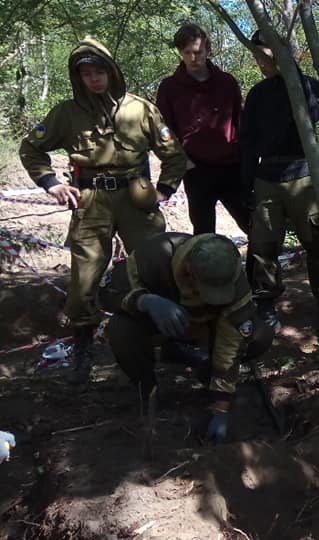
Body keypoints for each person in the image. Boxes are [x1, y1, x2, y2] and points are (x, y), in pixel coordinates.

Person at [19, 37, 188, 385]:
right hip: (90, 199)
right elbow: (31, 148)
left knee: (156, 266)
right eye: (86, 74)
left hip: (136, 198)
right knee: (85, 277)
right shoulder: (65, 113)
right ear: (77, 78)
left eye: (100, 72)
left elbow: (174, 155)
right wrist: (51, 183)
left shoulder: (140, 109)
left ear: (111, 72)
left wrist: (164, 190)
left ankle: (170, 341)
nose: (94, 79)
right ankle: (83, 348)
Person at [98, 233, 273, 444]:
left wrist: (222, 407)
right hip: (159, 324)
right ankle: (147, 386)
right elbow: (107, 293)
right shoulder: (153, 256)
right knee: (120, 329)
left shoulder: (234, 276)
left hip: (205, 328)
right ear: (189, 271)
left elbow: (231, 341)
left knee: (259, 335)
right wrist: (146, 301)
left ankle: (207, 372)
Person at [240, 30, 319, 331]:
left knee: (317, 245)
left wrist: (291, 75)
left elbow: (316, 112)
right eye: (256, 56)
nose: (259, 63)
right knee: (263, 247)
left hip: (303, 176)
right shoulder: (257, 94)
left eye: (263, 56)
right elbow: (247, 142)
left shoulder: (308, 86)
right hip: (267, 177)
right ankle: (266, 305)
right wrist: (246, 185)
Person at [156, 23, 253, 240]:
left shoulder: (226, 83)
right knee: (203, 235)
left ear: (208, 50)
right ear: (180, 52)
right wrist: (183, 161)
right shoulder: (169, 88)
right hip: (196, 170)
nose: (193, 58)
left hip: (231, 168)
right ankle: (206, 274)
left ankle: (255, 274)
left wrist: (246, 162)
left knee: (254, 227)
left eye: (198, 52)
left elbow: (241, 124)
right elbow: (163, 131)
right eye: (187, 52)